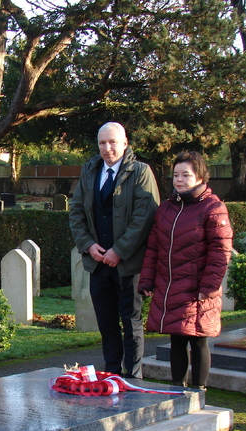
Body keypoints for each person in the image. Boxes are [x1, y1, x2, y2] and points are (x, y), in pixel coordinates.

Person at [69, 122, 159, 379]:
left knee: (131, 323)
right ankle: (111, 376)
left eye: (112, 142)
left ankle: (132, 378)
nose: (107, 148)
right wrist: (88, 245)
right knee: (107, 324)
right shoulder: (89, 171)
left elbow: (145, 216)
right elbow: (76, 213)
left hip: (128, 264)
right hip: (98, 263)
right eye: (102, 143)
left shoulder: (140, 172)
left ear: (125, 143)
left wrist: (119, 250)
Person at [138, 150, 232, 390]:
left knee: (198, 340)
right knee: (176, 340)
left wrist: (209, 286)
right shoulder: (167, 208)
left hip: (197, 289)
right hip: (170, 287)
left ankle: (198, 390)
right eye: (176, 175)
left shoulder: (213, 208)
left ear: (200, 177)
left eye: (186, 175)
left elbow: (220, 252)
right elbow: (154, 247)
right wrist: (147, 280)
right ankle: (177, 390)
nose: (179, 180)